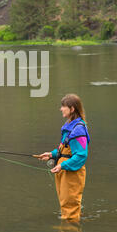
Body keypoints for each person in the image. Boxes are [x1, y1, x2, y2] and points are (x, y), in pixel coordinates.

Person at [34, 93, 90, 223]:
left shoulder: (78, 129)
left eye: (64, 106)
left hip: (71, 171)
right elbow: (66, 149)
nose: (61, 109)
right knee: (65, 204)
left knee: (70, 206)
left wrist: (62, 165)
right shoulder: (70, 127)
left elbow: (81, 155)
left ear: (72, 109)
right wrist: (51, 154)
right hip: (63, 169)